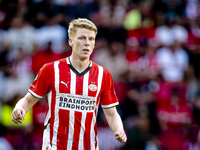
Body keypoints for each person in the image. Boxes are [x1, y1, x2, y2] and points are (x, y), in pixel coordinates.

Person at [11, 18, 127, 150]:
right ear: (70, 41)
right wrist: (19, 108)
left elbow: (111, 114)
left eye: (91, 39)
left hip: (87, 146)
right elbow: (28, 100)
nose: (87, 43)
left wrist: (119, 129)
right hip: (55, 145)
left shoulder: (103, 75)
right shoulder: (50, 70)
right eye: (82, 38)